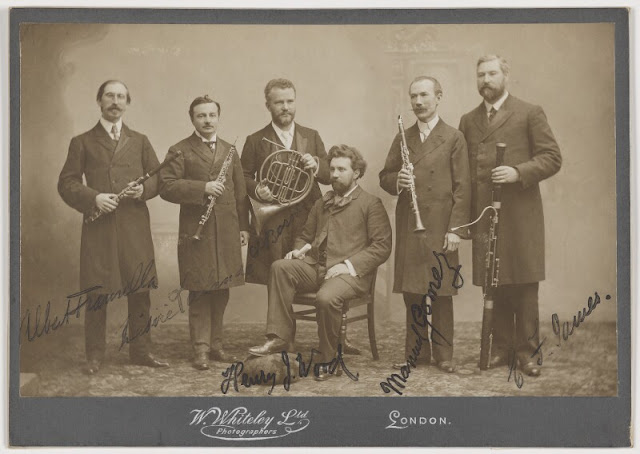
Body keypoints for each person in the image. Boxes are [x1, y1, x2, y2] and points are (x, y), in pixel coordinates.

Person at [248, 145, 392, 380]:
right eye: (332, 169)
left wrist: (348, 265)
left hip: (350, 276)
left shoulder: (370, 203)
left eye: (341, 169)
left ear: (356, 173)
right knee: (280, 267)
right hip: (317, 268)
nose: (334, 174)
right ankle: (279, 338)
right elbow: (305, 236)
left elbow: (381, 247)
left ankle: (329, 358)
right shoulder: (322, 202)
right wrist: (297, 252)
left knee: (326, 298)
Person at [459, 55, 562, 377]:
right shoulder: (468, 119)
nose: (485, 80)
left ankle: (527, 353)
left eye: (491, 74)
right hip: (486, 214)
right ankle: (501, 349)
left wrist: (518, 172)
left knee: (524, 284)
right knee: (495, 283)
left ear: (505, 76)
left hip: (520, 214)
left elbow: (552, 157)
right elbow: (464, 174)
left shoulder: (529, 112)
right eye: (480, 75)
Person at [58, 79, 169, 375]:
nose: (115, 101)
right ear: (99, 101)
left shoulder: (141, 140)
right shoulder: (81, 141)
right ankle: (94, 356)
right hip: (99, 227)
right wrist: (94, 197)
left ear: (127, 103)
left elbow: (159, 179)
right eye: (110, 96)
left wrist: (143, 191)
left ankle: (141, 351)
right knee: (98, 291)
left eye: (121, 96)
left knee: (140, 288)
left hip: (134, 225)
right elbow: (66, 183)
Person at [379, 76, 471, 373]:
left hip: (441, 225)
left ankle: (444, 355)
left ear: (439, 97)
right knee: (414, 292)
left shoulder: (454, 137)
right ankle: (417, 353)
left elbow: (462, 187)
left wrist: (456, 229)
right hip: (412, 224)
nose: (418, 102)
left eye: (424, 95)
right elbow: (385, 177)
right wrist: (398, 180)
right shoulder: (402, 137)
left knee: (441, 292)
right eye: (413, 96)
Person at [159, 95, 249, 371]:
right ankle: (200, 349)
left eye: (212, 115)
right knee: (199, 290)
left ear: (218, 117)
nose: (208, 120)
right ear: (192, 119)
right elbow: (166, 186)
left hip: (227, 230)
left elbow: (240, 191)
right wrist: (203, 188)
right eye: (201, 116)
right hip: (196, 232)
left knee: (221, 290)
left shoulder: (230, 150)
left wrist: (244, 226)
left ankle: (216, 345)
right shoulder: (179, 149)